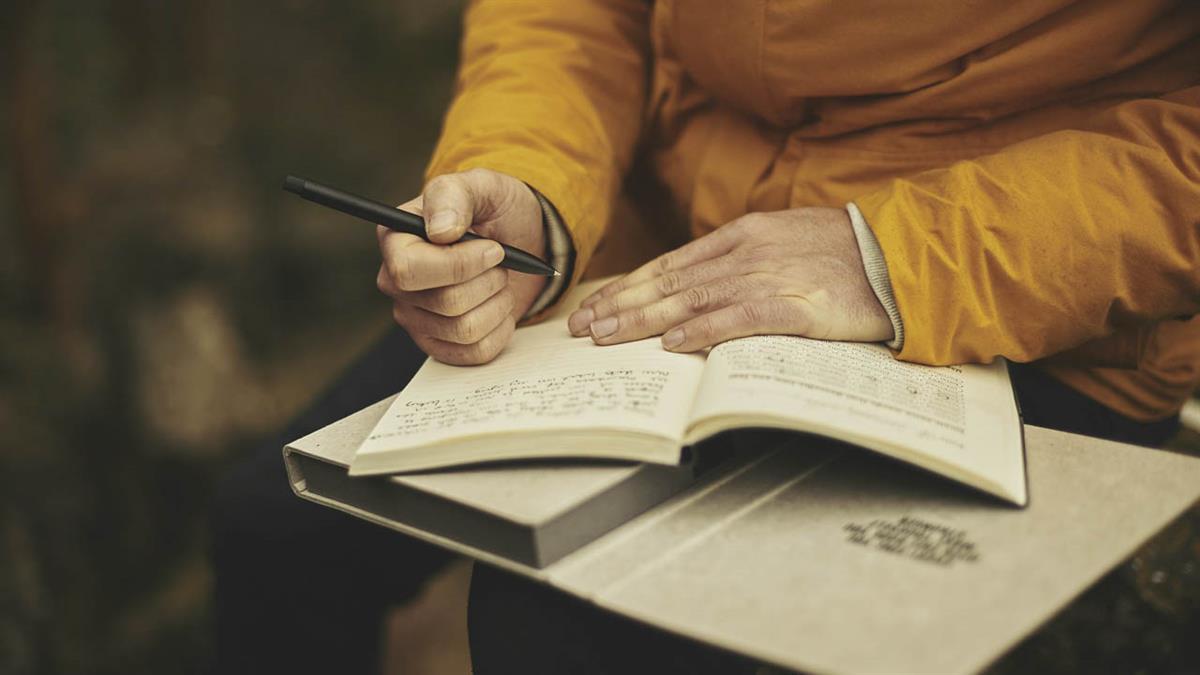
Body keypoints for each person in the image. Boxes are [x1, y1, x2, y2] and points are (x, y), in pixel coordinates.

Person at [214, 1, 1200, 672]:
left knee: (564, 628)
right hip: (651, 248)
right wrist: (531, 179)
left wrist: (904, 256)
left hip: (1024, 302)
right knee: (278, 526)